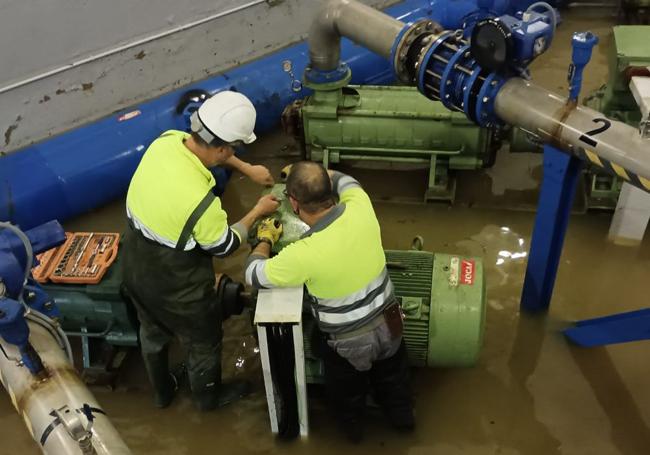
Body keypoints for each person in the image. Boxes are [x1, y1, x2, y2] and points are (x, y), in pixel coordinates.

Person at [122, 90, 280, 411]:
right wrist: (257, 211)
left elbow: (214, 148)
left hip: (135, 263)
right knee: (204, 341)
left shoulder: (166, 142)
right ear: (223, 148)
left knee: (151, 331)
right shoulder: (201, 202)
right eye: (232, 149)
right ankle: (208, 399)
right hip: (176, 283)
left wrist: (247, 168)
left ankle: (162, 393)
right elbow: (224, 245)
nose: (231, 153)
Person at [245, 161, 414, 442]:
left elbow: (253, 274)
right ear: (329, 191)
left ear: (294, 203)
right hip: (391, 320)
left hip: (348, 342)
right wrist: (307, 170)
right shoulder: (361, 205)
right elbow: (346, 178)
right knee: (395, 380)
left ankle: (354, 436)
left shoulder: (303, 253)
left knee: (347, 396)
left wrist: (264, 240)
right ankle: (404, 422)